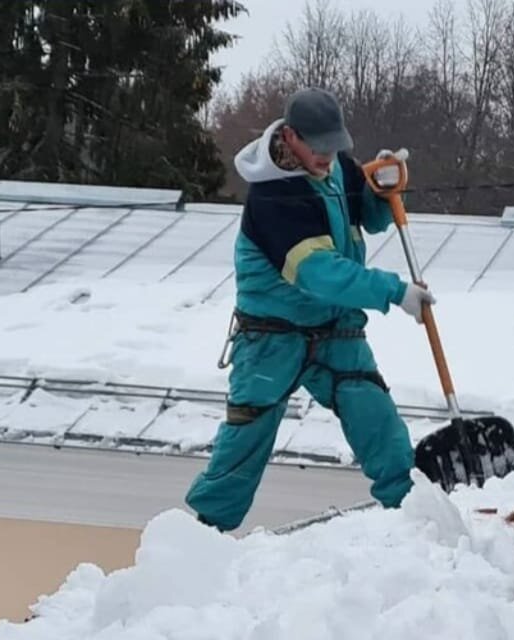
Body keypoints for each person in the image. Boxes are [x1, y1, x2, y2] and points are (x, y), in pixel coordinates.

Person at [186, 87, 435, 532]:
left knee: (376, 418)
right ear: (291, 137)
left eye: (334, 146)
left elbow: (371, 218)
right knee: (248, 437)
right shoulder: (272, 198)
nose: (327, 156)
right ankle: (205, 535)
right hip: (270, 338)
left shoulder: (336, 164)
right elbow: (320, 275)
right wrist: (394, 291)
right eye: (318, 147)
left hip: (335, 330)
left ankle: (417, 518)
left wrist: (382, 189)